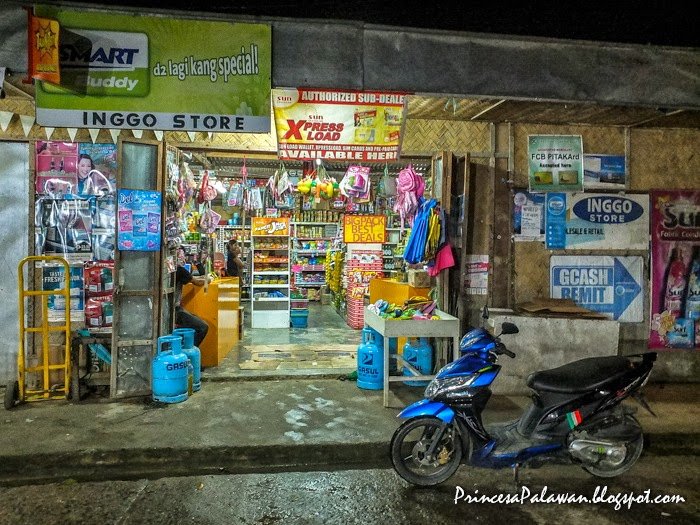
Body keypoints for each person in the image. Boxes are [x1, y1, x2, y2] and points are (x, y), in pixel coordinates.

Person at [175, 264, 210, 346]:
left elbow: (192, 278)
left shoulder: (171, 269)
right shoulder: (179, 270)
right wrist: (208, 279)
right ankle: (189, 351)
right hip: (175, 310)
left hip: (172, 309)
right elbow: (198, 282)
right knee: (202, 327)